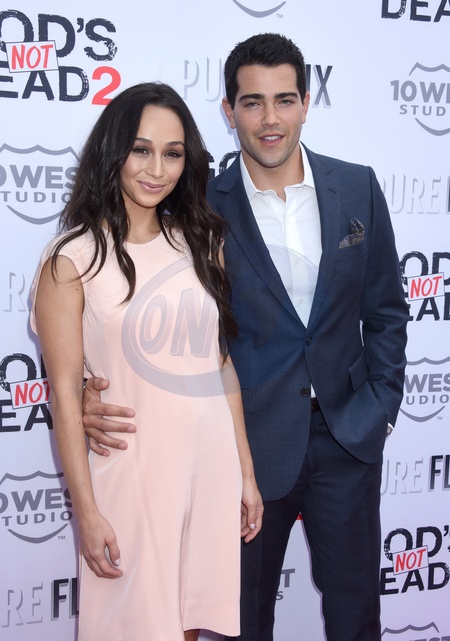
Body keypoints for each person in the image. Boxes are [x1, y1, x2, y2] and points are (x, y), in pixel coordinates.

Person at [83, 34, 409, 641]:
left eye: (284, 100)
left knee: (357, 617)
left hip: (349, 439)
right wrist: (85, 385)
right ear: (229, 112)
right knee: (241, 623)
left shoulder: (357, 187)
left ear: (306, 103)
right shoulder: (195, 205)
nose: (270, 119)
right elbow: (134, 303)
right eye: (252, 102)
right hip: (244, 453)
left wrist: (381, 408)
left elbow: (387, 310)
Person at [30, 81, 262, 641]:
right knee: (132, 625)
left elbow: (220, 365)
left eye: (173, 153)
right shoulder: (72, 258)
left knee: (188, 624)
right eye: (141, 150)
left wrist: (246, 473)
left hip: (209, 465)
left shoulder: (201, 243)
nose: (158, 169)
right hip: (132, 473)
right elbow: (65, 395)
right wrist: (86, 512)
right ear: (113, 151)